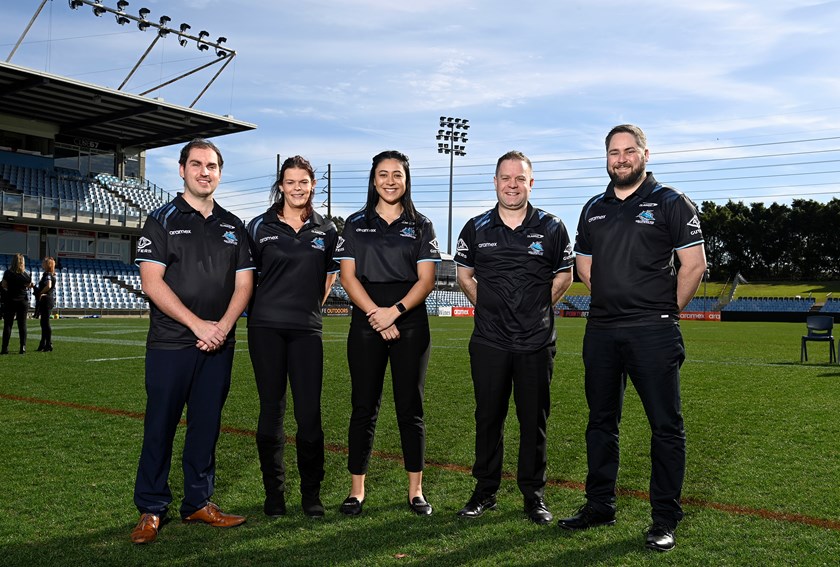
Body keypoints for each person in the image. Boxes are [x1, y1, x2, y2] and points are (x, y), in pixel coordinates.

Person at [557, 124, 706, 552]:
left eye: (629, 151)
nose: (620, 158)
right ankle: (600, 505)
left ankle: (664, 519)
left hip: (653, 330)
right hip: (602, 329)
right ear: (606, 157)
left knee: (665, 426)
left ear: (645, 154)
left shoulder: (671, 202)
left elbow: (693, 265)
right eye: (613, 152)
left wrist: (663, 312)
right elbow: (584, 268)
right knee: (601, 423)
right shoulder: (593, 207)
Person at [130, 138, 255, 545]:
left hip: (219, 345)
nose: (205, 172)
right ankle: (151, 508)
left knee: (206, 426)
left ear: (220, 173)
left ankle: (199, 502)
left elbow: (244, 286)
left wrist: (219, 327)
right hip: (170, 343)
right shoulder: (160, 219)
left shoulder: (233, 226)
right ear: (181, 170)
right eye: (197, 164)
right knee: (160, 427)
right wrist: (198, 325)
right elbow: (152, 283)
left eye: (213, 166)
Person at [453, 150, 574, 525]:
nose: (512, 184)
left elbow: (564, 277)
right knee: (488, 417)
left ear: (530, 183)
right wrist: (489, 307)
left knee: (532, 420)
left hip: (536, 342)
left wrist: (535, 311)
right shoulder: (475, 227)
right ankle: (484, 492)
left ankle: (533, 497)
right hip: (489, 341)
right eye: (505, 178)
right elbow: (464, 276)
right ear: (495, 182)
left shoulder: (553, 227)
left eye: (519, 178)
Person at [334, 150, 440, 516]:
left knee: (411, 408)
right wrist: (375, 315)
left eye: (397, 174)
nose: (390, 181)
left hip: (409, 319)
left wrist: (393, 313)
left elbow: (426, 280)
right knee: (364, 406)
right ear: (373, 179)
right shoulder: (354, 223)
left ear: (407, 180)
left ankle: (416, 491)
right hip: (366, 318)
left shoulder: (422, 225)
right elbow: (347, 277)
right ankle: (357, 491)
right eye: (383, 174)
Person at [246, 156, 339, 518]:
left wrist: (308, 311)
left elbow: (329, 279)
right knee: (272, 411)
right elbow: (248, 278)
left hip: (306, 331)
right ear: (280, 185)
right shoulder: (258, 226)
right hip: (265, 328)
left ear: (312, 185)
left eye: (304, 182)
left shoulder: (326, 230)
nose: (297, 188)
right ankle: (275, 494)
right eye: (290, 182)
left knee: (309, 414)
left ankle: (311, 494)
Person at [1, 253, 33, 355]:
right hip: (22, 301)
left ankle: (4, 348)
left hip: (10, 300)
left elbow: (4, 285)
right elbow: (28, 285)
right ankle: (22, 347)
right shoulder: (26, 275)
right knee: (22, 325)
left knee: (8, 325)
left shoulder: (7, 273)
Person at [35, 256, 57, 352]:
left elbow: (48, 285)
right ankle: (43, 344)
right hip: (48, 300)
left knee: (45, 323)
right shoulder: (50, 274)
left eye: (44, 262)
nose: (42, 262)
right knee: (43, 323)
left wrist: (41, 292)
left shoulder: (47, 274)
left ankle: (48, 343)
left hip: (46, 300)